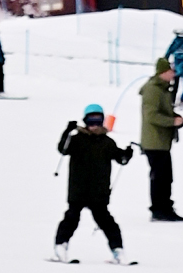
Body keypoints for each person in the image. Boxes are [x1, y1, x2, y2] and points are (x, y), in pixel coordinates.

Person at [53, 104, 133, 260]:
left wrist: (126, 154)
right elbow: (63, 149)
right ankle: (60, 246)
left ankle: (118, 250)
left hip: (99, 191)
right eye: (91, 121)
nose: (94, 126)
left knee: (107, 222)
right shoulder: (76, 140)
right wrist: (67, 132)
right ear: (85, 121)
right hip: (78, 189)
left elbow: (120, 158)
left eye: (98, 121)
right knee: (71, 219)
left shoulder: (107, 142)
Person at [138, 56, 183, 219]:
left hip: (162, 142)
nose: (173, 74)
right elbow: (151, 116)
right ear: (163, 72)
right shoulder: (153, 89)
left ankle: (165, 208)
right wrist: (172, 121)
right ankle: (159, 210)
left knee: (166, 177)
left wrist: (176, 118)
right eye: (170, 71)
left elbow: (163, 111)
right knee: (160, 178)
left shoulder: (163, 89)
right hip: (154, 142)